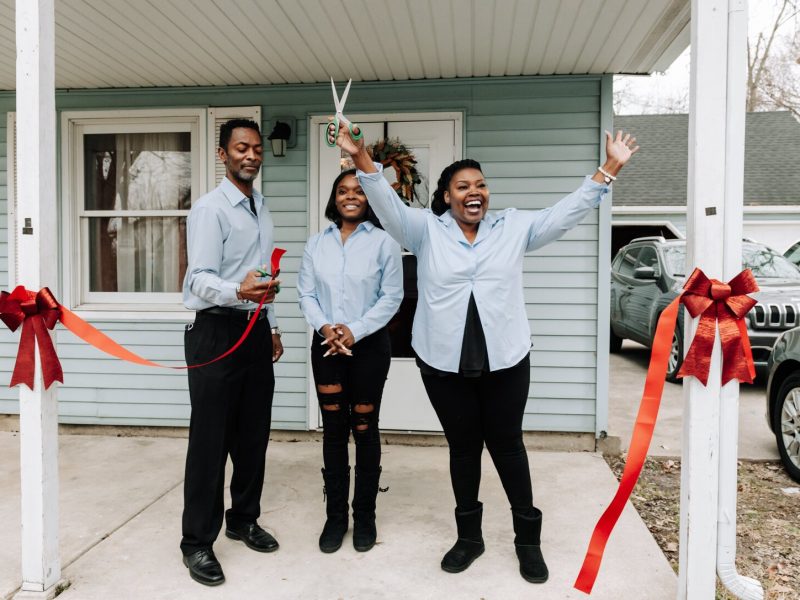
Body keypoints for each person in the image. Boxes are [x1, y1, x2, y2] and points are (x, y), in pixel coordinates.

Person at [334, 123, 638, 584]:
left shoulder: (513, 226)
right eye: (463, 186)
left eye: (480, 185)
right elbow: (385, 202)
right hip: (442, 362)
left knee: (508, 445)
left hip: (506, 358)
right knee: (463, 448)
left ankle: (527, 542)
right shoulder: (423, 231)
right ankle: (469, 539)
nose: (474, 192)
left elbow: (564, 213)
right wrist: (360, 158)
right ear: (445, 197)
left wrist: (609, 168)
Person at [180, 118, 284, 587]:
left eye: (257, 149)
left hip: (255, 333)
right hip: (216, 334)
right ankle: (197, 543)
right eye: (242, 148)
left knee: (252, 435)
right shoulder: (210, 209)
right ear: (223, 154)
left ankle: (243, 519)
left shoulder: (261, 207)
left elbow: (261, 274)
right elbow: (197, 279)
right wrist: (238, 292)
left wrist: (272, 324)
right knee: (210, 442)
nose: (252, 155)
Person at [298, 169, 403, 553]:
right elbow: (306, 294)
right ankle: (335, 517)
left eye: (358, 191)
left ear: (369, 198)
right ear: (334, 198)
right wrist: (327, 327)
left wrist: (353, 331)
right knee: (333, 429)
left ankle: (365, 516)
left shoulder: (384, 243)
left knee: (363, 426)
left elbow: (392, 297)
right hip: (326, 347)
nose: (351, 196)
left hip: (368, 348)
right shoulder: (316, 244)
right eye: (342, 190)